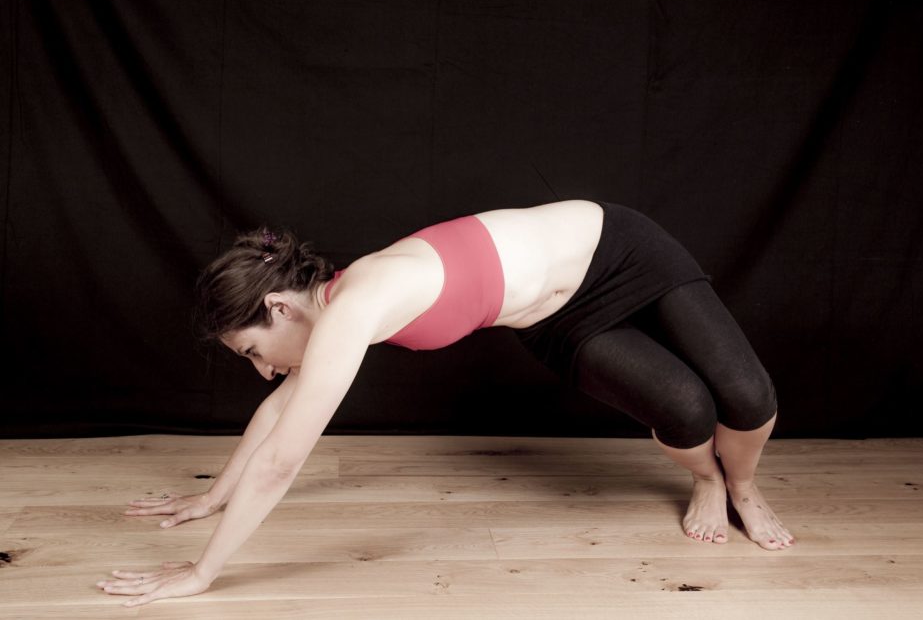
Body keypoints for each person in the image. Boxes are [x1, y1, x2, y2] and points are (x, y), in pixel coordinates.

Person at [97, 199, 794, 606]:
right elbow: (281, 410)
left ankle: (743, 484)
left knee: (748, 393)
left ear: (279, 306)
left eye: (253, 349)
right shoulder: (341, 305)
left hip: (619, 249)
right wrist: (214, 495)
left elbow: (282, 460)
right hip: (562, 320)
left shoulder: (356, 303)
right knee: (686, 411)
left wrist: (201, 572)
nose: (263, 371)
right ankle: (708, 479)